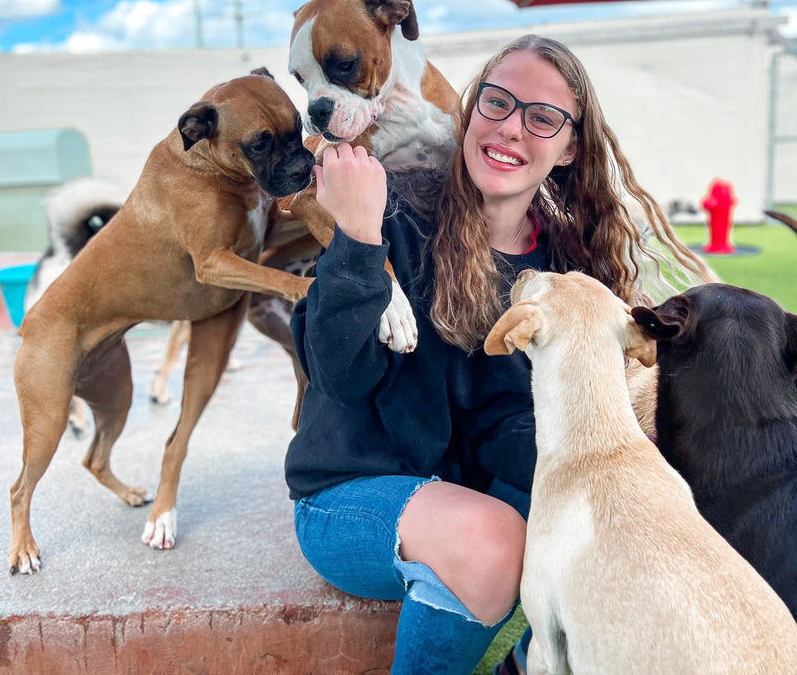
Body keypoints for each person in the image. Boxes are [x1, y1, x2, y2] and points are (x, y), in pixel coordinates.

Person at [284, 34, 709, 674]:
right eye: (497, 102)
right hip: (351, 493)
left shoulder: (567, 266)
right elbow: (341, 378)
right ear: (470, 109)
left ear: (568, 148)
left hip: (475, 490)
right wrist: (357, 237)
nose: (511, 128)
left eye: (541, 117)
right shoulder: (395, 210)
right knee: (492, 540)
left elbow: (513, 421)